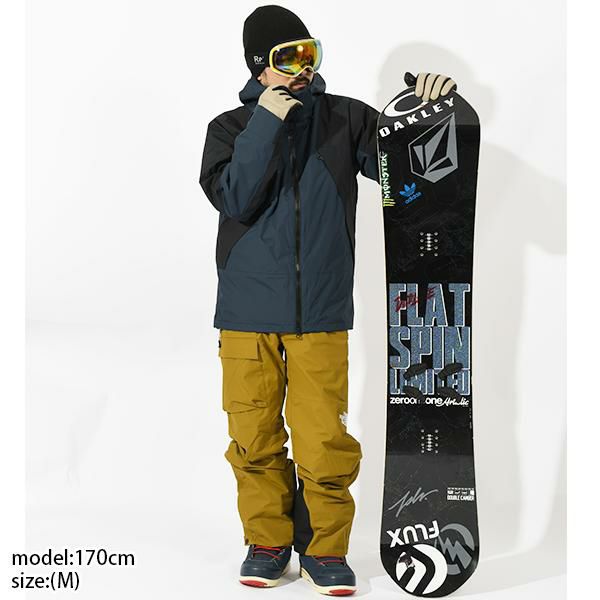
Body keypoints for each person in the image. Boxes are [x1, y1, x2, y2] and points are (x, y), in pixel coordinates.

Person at [199, 5, 456, 596]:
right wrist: (267, 122)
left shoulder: (347, 119)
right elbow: (235, 197)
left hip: (320, 312)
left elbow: (409, 180)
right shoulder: (229, 129)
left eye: (310, 52)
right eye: (288, 57)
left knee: (324, 441)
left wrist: (432, 114)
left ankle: (324, 548)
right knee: (254, 438)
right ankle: (267, 542)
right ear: (259, 66)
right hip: (245, 316)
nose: (304, 67)